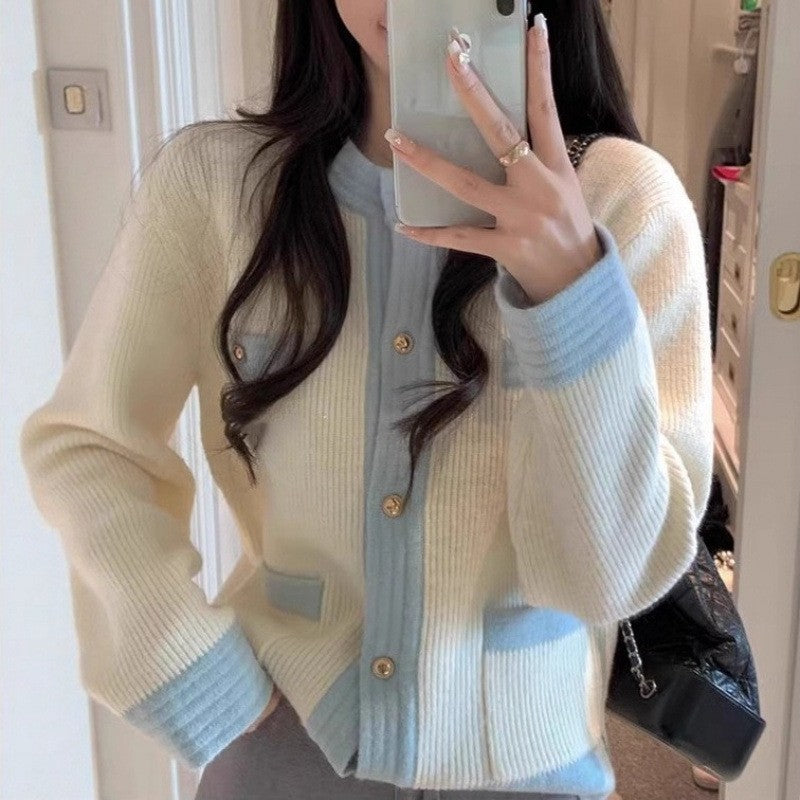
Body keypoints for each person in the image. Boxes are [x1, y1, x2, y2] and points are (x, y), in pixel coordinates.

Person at [18, 1, 713, 799]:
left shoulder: (626, 204)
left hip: (528, 762)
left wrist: (570, 293)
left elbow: (606, 581)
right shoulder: (215, 188)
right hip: (284, 737)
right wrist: (187, 666)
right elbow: (90, 447)